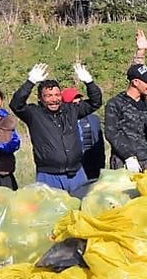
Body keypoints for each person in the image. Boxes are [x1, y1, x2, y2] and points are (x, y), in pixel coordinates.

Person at [11, 61, 102, 194]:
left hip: (76, 173)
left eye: (57, 95)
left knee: (81, 205)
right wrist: (30, 82)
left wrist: (89, 82)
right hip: (48, 175)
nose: (54, 99)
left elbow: (95, 102)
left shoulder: (71, 110)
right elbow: (16, 105)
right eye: (48, 96)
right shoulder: (34, 114)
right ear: (40, 98)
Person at [106, 64, 147, 173]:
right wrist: (128, 156)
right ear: (135, 82)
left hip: (146, 161)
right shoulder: (116, 103)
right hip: (123, 162)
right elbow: (111, 133)